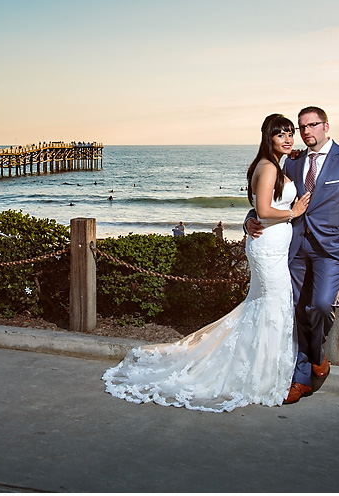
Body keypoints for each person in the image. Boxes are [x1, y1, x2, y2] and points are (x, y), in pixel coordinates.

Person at [103, 114, 310, 411]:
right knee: (274, 304)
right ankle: (260, 374)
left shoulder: (274, 165)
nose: (288, 139)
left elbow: (259, 209)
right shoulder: (266, 168)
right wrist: (294, 212)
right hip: (267, 248)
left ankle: (263, 367)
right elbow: (263, 211)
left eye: (291, 133)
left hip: (274, 247)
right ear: (269, 138)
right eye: (281, 135)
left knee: (267, 305)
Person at [245, 106, 339, 404]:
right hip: (292, 249)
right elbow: (267, 199)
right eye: (301, 127)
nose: (306, 132)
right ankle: (302, 376)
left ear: (326, 126)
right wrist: (249, 220)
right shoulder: (292, 162)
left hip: (331, 251)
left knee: (319, 306)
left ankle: (317, 355)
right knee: (292, 309)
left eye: (312, 125)